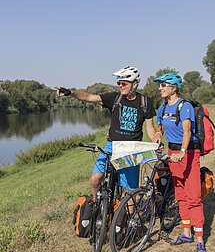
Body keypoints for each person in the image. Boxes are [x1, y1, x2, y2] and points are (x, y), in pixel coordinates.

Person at [55, 66, 159, 198]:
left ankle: (127, 218)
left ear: (134, 84)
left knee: (130, 191)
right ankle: (96, 207)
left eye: (124, 83)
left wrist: (154, 138)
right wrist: (70, 93)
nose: (120, 86)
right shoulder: (115, 98)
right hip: (112, 146)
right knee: (95, 179)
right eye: (118, 83)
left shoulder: (145, 102)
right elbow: (89, 97)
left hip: (131, 150)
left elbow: (150, 127)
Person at [153, 72, 207, 252]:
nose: (160, 88)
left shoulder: (184, 107)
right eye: (159, 85)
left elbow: (186, 132)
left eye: (163, 85)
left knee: (193, 197)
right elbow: (160, 127)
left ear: (173, 88)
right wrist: (159, 135)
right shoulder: (162, 107)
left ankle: (200, 239)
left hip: (189, 152)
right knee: (181, 195)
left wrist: (182, 152)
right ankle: (186, 233)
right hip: (172, 153)